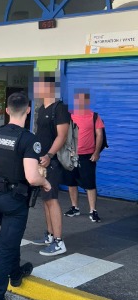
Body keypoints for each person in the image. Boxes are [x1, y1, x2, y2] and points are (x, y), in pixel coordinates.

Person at [0, 92, 51, 300]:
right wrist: (45, 183)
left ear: (7, 110)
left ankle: (16, 273)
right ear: (28, 110)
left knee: (9, 238)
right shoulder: (29, 140)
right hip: (14, 202)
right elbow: (32, 177)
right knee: (5, 247)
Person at [31, 73, 70, 256]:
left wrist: (49, 155)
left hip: (52, 162)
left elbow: (62, 136)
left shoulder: (60, 108)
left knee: (52, 200)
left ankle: (59, 241)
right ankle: (49, 235)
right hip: (41, 161)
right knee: (45, 200)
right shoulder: (41, 108)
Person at [64, 90, 105, 223]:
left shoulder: (94, 117)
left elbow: (99, 135)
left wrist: (96, 152)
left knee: (90, 184)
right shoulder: (69, 116)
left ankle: (93, 211)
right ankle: (75, 207)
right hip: (71, 155)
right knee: (71, 182)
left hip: (87, 156)